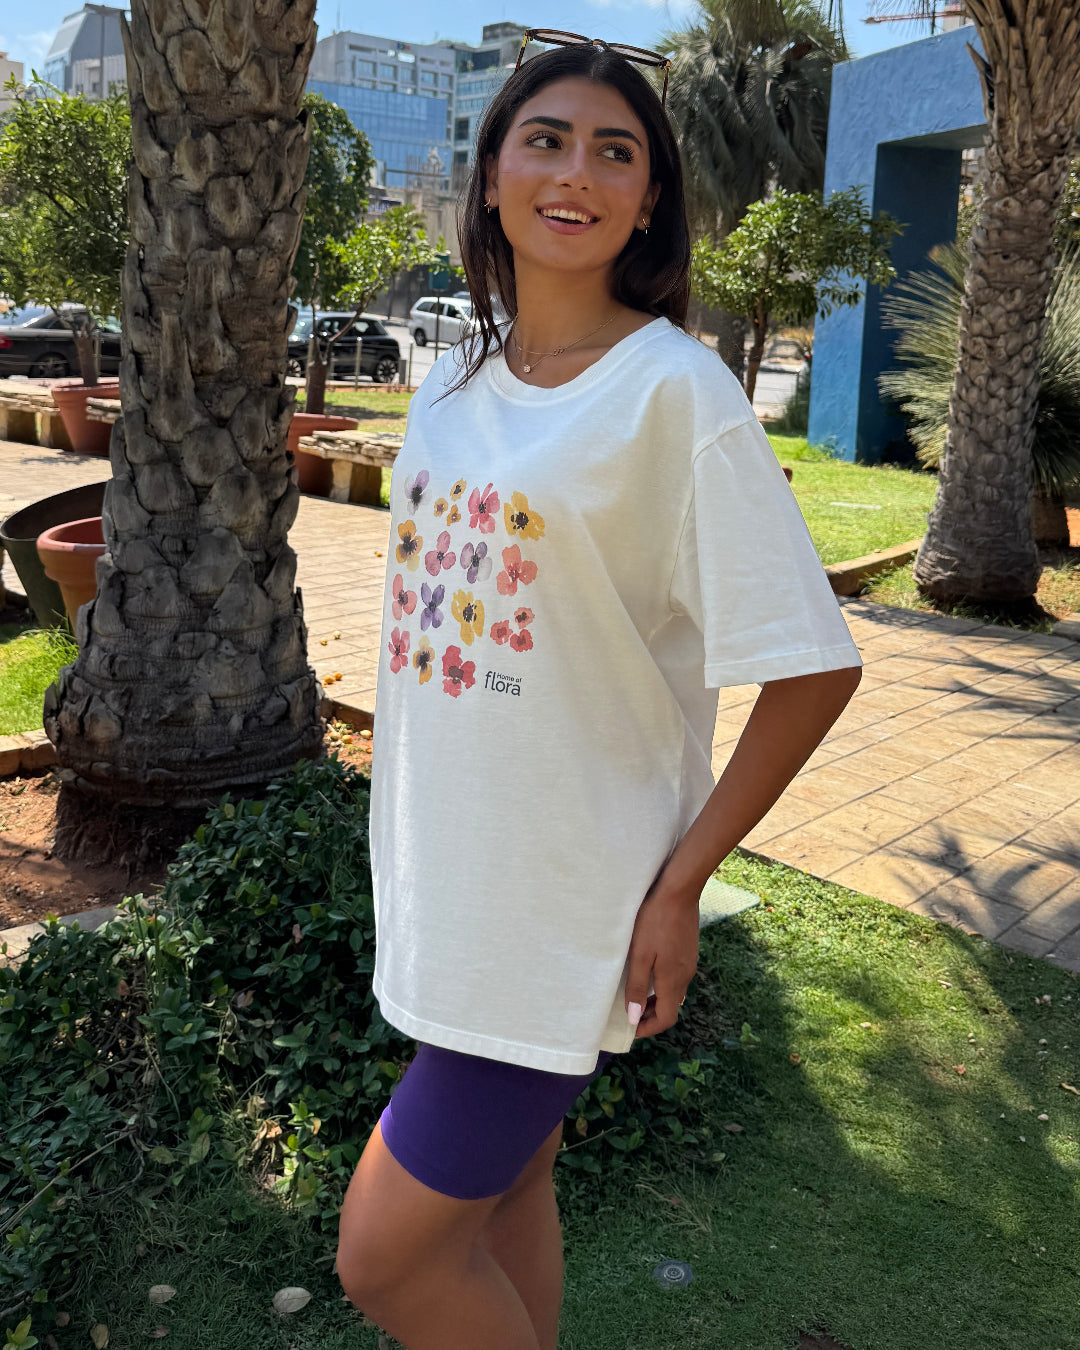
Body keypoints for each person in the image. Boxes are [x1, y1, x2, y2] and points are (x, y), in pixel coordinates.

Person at [335, 31, 863, 1350]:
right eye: (548, 139)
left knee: (385, 1258)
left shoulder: (676, 396)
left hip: (562, 905)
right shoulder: (453, 388)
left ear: (647, 200)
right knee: (507, 1196)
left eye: (616, 152)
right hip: (447, 880)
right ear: (494, 174)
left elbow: (813, 664)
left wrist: (679, 884)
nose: (578, 171)